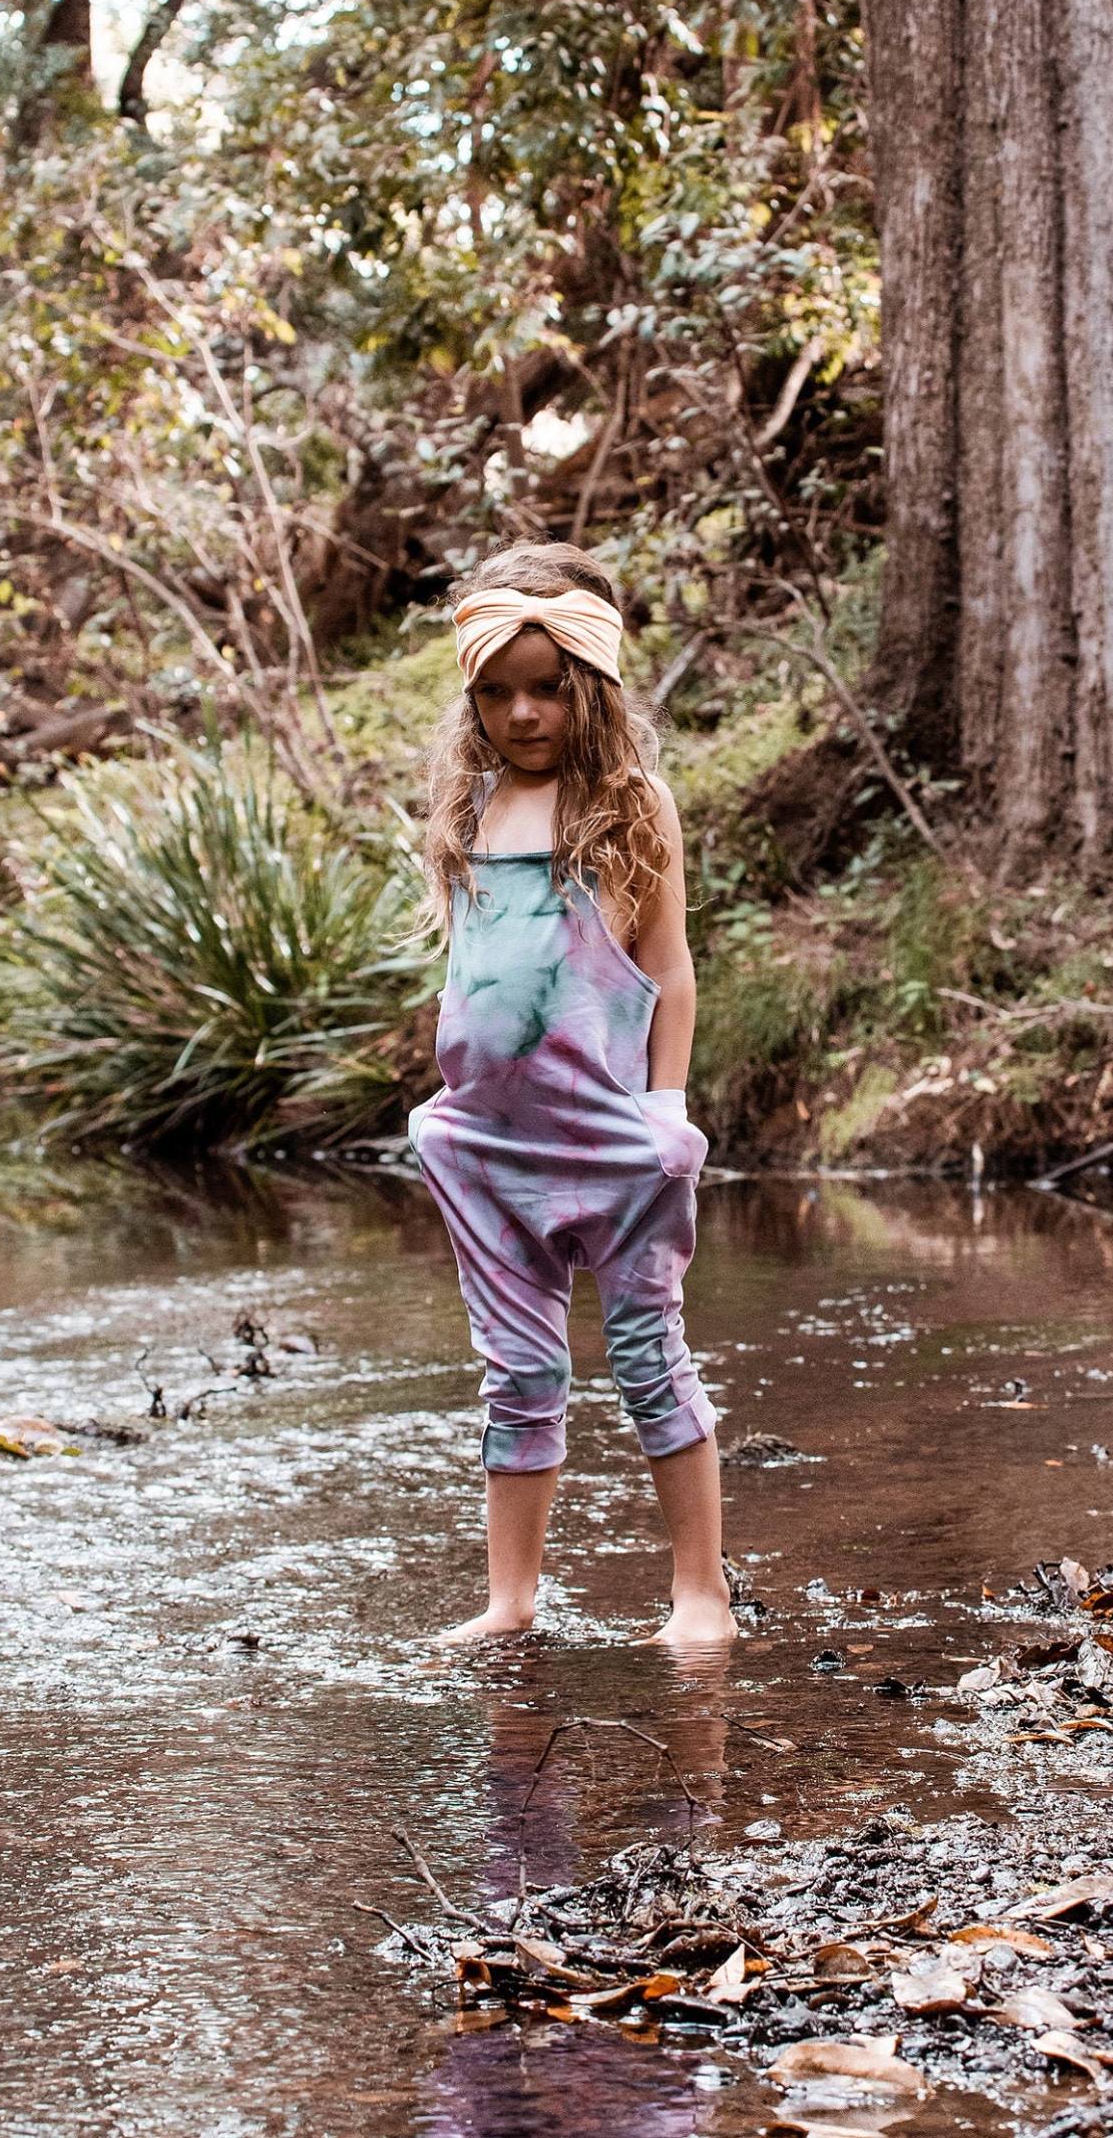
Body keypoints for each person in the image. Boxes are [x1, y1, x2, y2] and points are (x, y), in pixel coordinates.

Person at [409, 539, 734, 1648]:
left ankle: (700, 1593)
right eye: (497, 691)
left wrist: (666, 1102)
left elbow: (670, 965)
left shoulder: (631, 807)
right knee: (518, 1369)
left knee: (649, 1352)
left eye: (548, 689)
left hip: (609, 1135)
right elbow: (474, 967)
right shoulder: (469, 808)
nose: (523, 712)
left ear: (588, 687)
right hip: (489, 1144)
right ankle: (510, 1597)